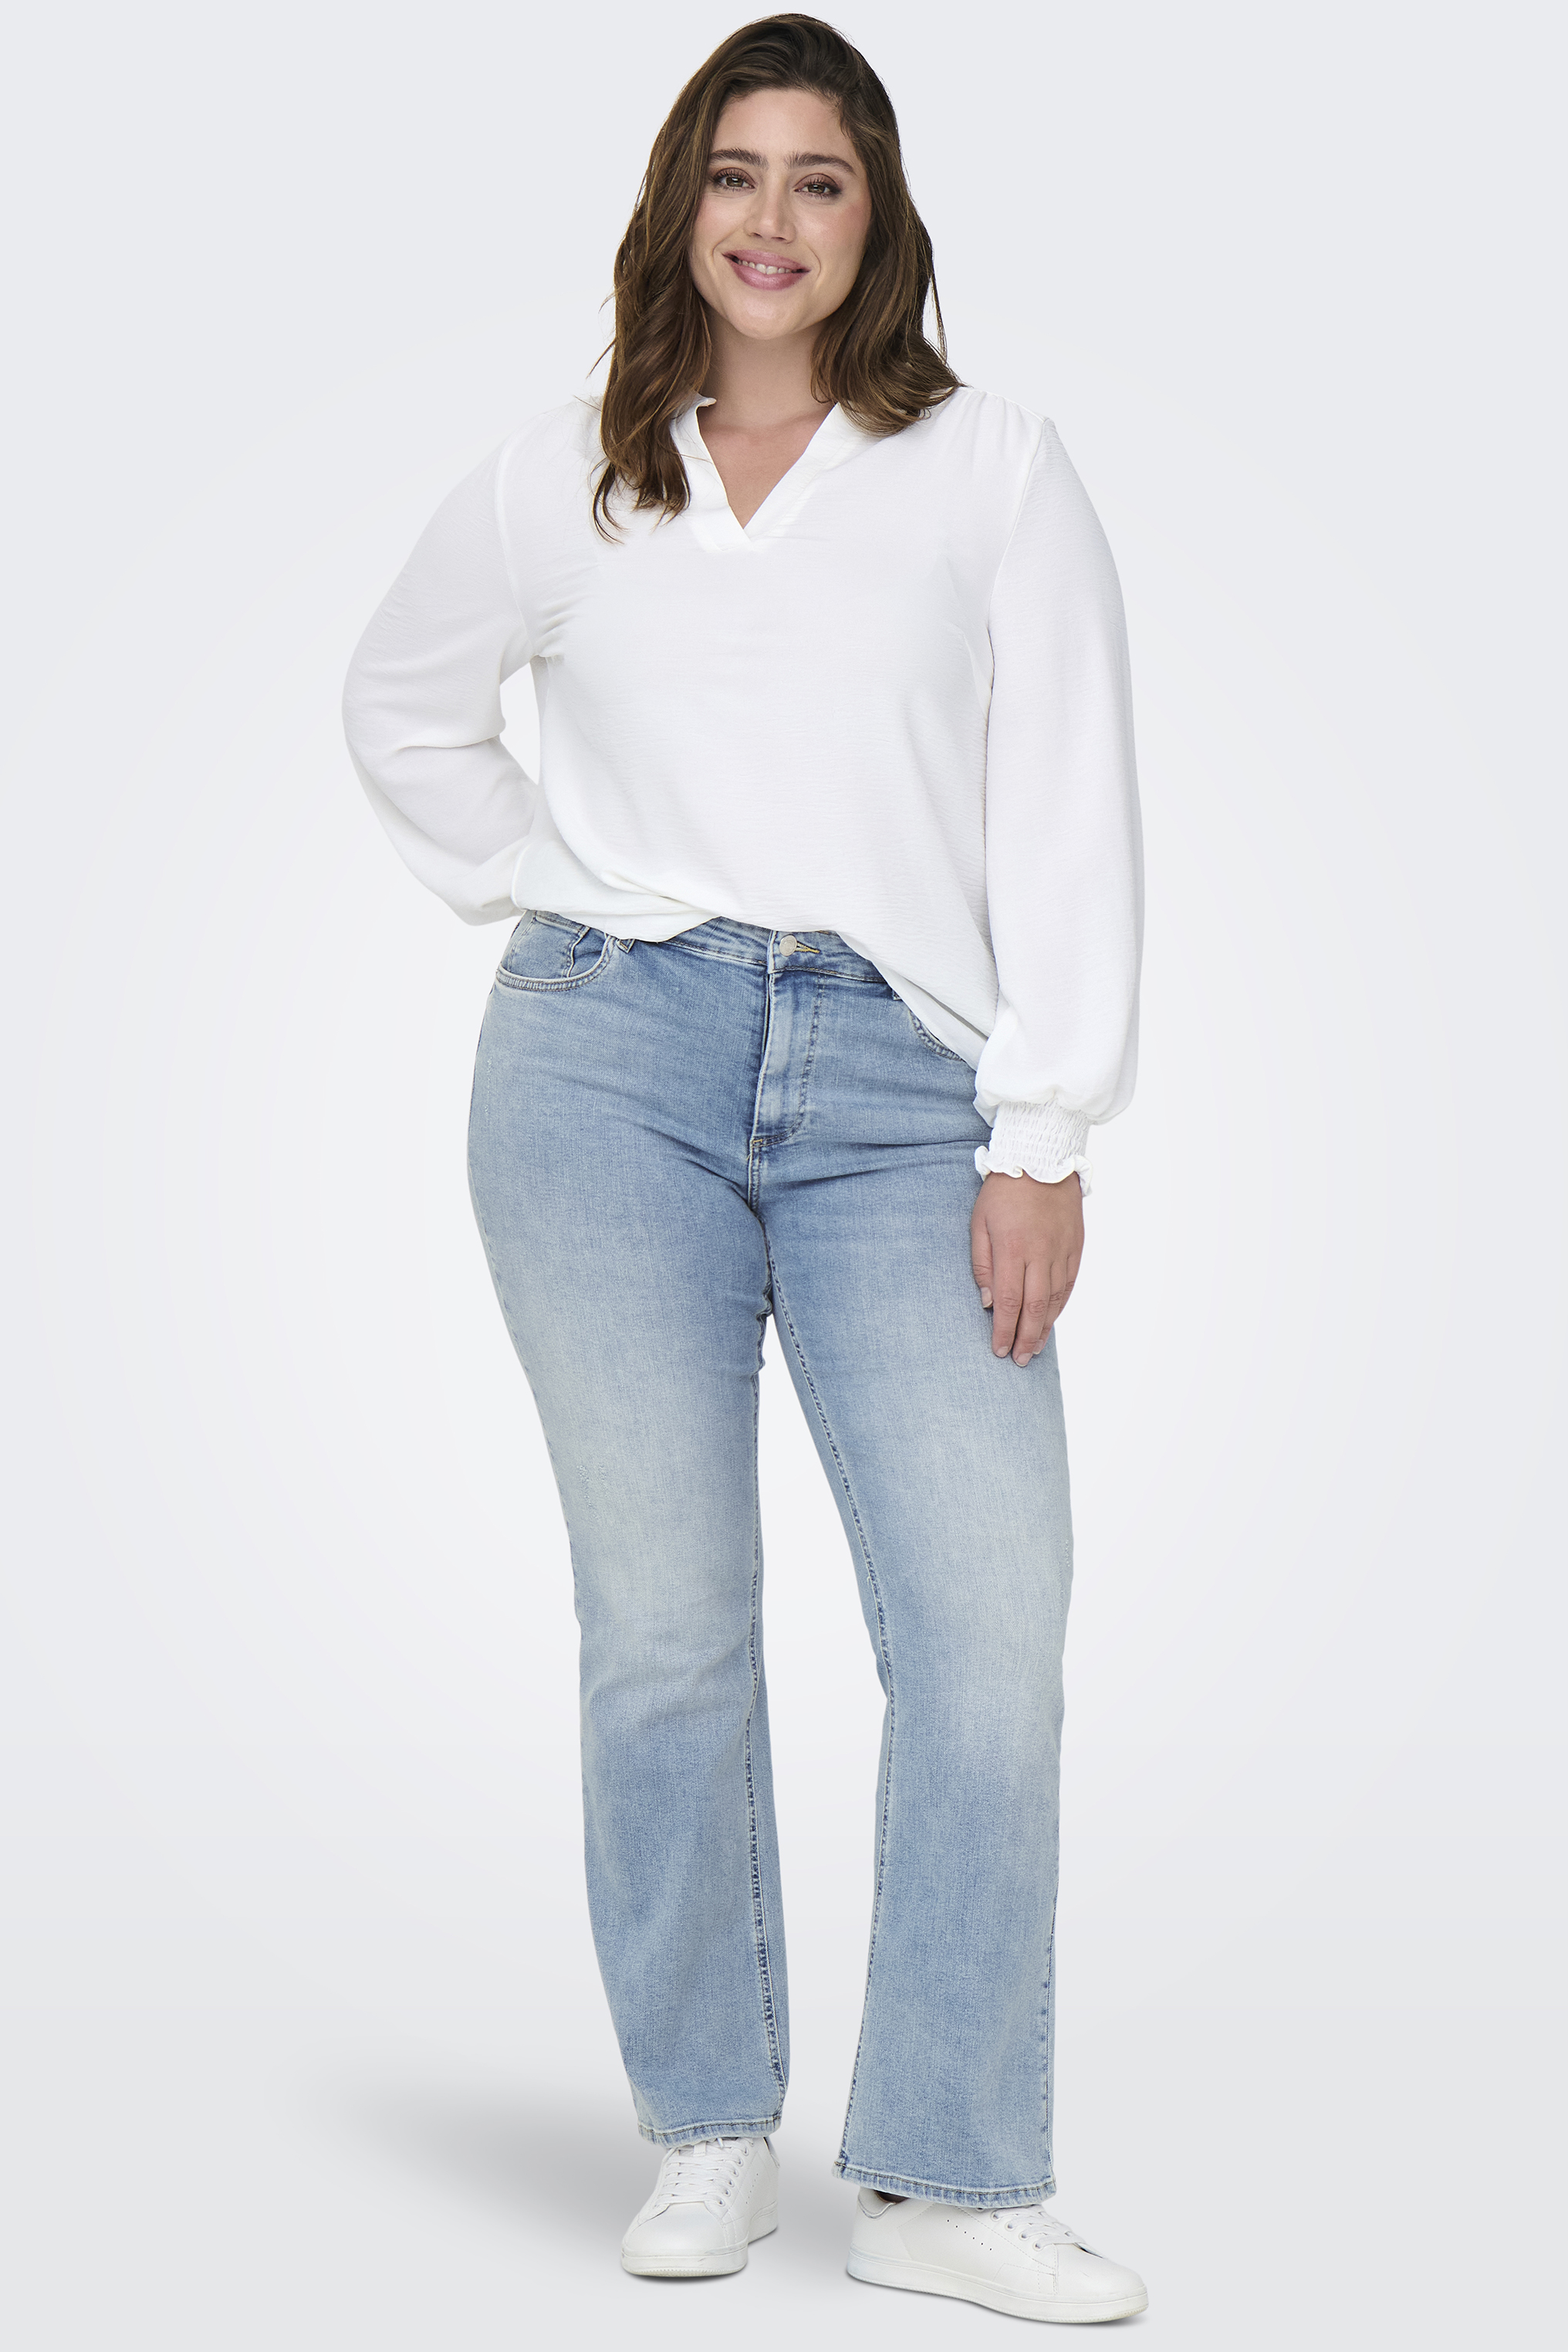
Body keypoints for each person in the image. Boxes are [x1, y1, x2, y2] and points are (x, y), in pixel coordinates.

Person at [343, 13, 1146, 2325]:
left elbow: (1067, 804)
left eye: (819, 177)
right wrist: (552, 888)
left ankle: (948, 2175)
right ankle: (707, 2125)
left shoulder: (989, 467)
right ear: (677, 203)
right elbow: (399, 704)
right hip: (607, 1076)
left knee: (987, 1633)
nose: (771, 219)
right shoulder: (569, 475)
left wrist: (1045, 1129)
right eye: (734, 172)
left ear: (876, 214)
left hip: (911, 1091)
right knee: (667, 1629)